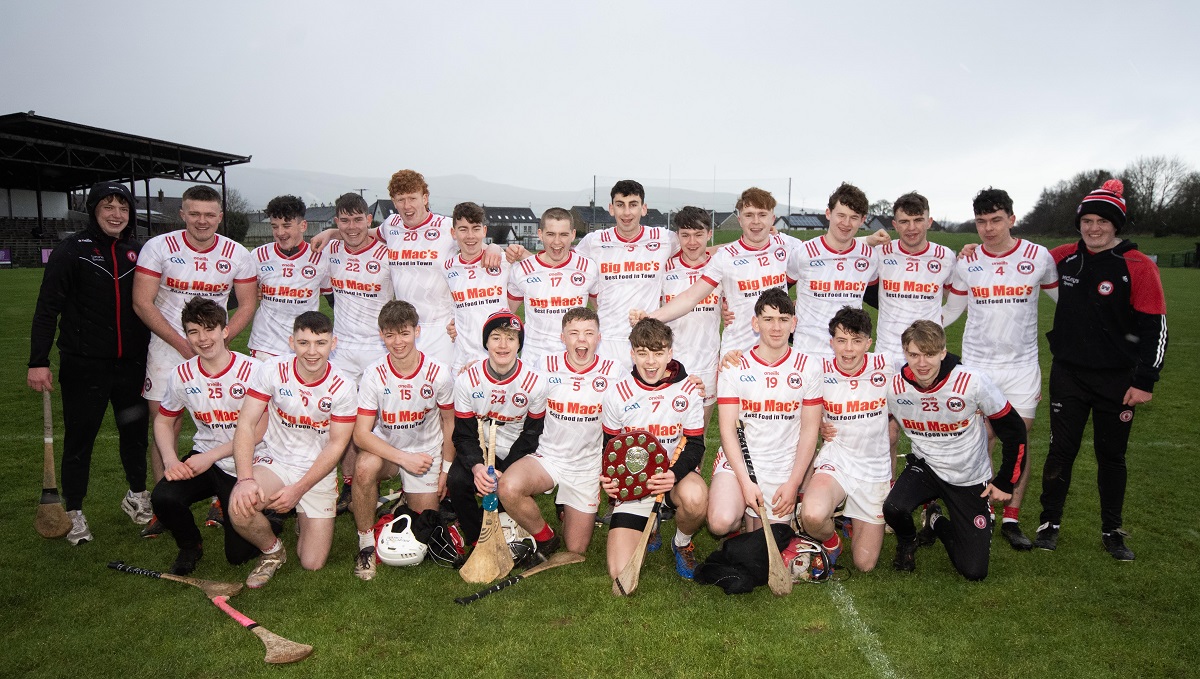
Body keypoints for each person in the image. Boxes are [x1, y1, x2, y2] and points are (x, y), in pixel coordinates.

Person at [1034, 180, 1167, 561]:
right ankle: (1049, 523)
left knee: (1112, 456)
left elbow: (1155, 328)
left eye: (1102, 221)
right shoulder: (1062, 257)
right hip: (1069, 374)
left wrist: (1145, 380)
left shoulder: (1137, 266)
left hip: (1118, 380)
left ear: (1116, 225)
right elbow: (1016, 259)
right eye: (1087, 220)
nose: (1093, 228)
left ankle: (1112, 530)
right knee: (1062, 450)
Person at [28, 181, 152, 545]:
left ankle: (136, 496)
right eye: (108, 207)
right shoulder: (72, 250)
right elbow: (46, 308)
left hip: (131, 364)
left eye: (123, 208)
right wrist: (38, 361)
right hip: (85, 366)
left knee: (134, 435)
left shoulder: (138, 251)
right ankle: (74, 511)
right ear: (94, 211)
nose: (116, 214)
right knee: (80, 440)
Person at [942, 187, 1058, 550]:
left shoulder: (1038, 257)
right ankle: (982, 513)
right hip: (978, 366)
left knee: (1017, 441)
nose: (988, 228)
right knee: (979, 442)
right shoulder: (968, 261)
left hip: (1022, 367)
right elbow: (950, 311)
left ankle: (1012, 517)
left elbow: (1068, 302)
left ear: (1012, 218)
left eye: (996, 220)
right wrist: (912, 328)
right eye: (981, 222)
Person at [133, 185, 258, 507]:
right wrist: (183, 344)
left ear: (220, 217)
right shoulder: (158, 246)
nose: (202, 221)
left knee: (230, 420)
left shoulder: (236, 253)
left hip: (212, 348)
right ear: (183, 214)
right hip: (166, 348)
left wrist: (218, 341)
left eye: (209, 215)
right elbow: (142, 303)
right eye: (195, 214)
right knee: (165, 423)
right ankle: (165, 498)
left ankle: (224, 494)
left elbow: (246, 305)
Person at [882, 321, 1027, 581]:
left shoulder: (972, 381)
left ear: (943, 352)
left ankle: (935, 520)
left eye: (929, 354)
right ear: (905, 353)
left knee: (974, 571)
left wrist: (1005, 480)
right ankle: (907, 541)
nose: (921, 363)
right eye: (914, 354)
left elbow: (1014, 429)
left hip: (968, 475)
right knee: (893, 507)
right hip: (927, 466)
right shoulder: (894, 387)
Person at [228, 311, 357, 588]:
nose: (312, 351)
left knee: (312, 563)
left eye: (321, 343)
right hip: (275, 461)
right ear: (291, 342)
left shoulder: (344, 387)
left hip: (317, 471)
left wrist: (298, 489)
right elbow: (246, 425)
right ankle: (272, 551)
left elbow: (337, 445)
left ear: (333, 344)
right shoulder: (271, 370)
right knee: (239, 507)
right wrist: (244, 479)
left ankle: (302, 512)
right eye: (303, 343)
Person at [150, 298, 266, 574]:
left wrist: (210, 457)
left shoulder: (253, 370)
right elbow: (163, 422)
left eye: (209, 329)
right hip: (205, 459)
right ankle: (190, 546)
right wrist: (169, 460)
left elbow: (260, 430)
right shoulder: (181, 374)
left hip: (248, 462)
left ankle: (270, 516)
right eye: (193, 331)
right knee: (164, 496)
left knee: (238, 556)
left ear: (225, 331)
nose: (202, 339)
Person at [498, 307, 616, 558]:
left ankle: (567, 507)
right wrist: (475, 372)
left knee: (575, 549)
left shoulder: (614, 371)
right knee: (508, 487)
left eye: (588, 333)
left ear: (598, 338)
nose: (581, 339)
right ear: (563, 338)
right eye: (573, 333)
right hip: (548, 457)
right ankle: (546, 537)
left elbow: (646, 387)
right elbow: (508, 378)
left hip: (586, 466)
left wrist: (682, 378)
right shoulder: (544, 365)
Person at [350, 301, 455, 580]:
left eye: (404, 333)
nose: (398, 342)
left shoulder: (438, 372)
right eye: (390, 335)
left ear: (417, 331)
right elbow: (361, 434)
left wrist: (445, 469)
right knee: (363, 467)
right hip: (390, 452)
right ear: (381, 335)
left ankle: (406, 499)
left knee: (426, 532)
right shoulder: (374, 374)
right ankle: (366, 545)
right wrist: (403, 459)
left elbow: (449, 423)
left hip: (427, 455)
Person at [709, 289, 821, 544]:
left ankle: (761, 519)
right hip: (741, 461)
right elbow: (727, 430)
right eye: (768, 319)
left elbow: (809, 432)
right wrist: (746, 483)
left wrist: (793, 484)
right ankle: (740, 513)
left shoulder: (808, 367)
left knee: (769, 543)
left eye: (783, 319)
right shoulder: (735, 366)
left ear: (794, 324)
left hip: (783, 465)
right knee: (720, 521)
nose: (776, 327)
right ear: (755, 323)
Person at [601, 318, 706, 580]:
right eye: (643, 353)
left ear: (669, 353)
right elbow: (609, 446)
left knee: (696, 498)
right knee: (620, 573)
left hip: (673, 479)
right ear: (632, 353)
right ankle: (653, 523)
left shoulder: (687, 390)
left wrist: (674, 474)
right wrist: (611, 481)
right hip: (635, 481)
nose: (650, 362)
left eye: (658, 353)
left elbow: (695, 445)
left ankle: (681, 542)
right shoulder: (617, 393)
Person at [642, 189, 795, 359]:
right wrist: (649, 318)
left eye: (762, 214)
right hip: (737, 354)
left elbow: (819, 268)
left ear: (772, 218)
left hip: (777, 352)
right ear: (740, 220)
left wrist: (797, 304)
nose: (756, 221)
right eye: (749, 215)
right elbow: (691, 297)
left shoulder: (789, 247)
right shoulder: (725, 256)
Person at [799, 307, 896, 571]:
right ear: (831, 342)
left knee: (864, 564)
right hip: (837, 461)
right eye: (841, 341)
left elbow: (928, 367)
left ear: (869, 342)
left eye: (856, 341)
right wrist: (818, 421)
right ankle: (831, 541)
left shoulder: (886, 365)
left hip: (873, 470)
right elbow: (779, 376)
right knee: (812, 514)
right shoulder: (817, 368)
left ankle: (853, 519)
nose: (848, 349)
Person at [866, 191, 956, 468]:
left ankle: (932, 503)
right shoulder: (881, 254)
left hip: (927, 357)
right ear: (894, 224)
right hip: (887, 355)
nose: (912, 227)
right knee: (886, 434)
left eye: (918, 220)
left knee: (932, 433)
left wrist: (937, 326)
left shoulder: (945, 257)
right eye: (904, 221)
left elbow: (958, 300)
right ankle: (887, 496)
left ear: (930, 221)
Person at [448, 311, 548, 549]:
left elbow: (532, 435)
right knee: (457, 480)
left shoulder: (535, 381)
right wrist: (478, 467)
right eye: (496, 337)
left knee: (505, 491)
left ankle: (508, 527)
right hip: (480, 444)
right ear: (486, 342)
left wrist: (506, 470)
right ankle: (475, 540)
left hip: (517, 448)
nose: (503, 345)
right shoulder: (467, 380)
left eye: (511, 338)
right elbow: (463, 434)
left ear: (519, 344)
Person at [325, 192, 394, 513]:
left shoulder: (388, 253)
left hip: (379, 350)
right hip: (342, 351)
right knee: (344, 422)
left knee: (379, 425)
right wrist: (327, 234)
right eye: (344, 220)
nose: (351, 227)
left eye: (357, 219)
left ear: (369, 220)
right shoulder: (330, 250)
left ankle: (375, 483)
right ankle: (349, 486)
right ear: (336, 222)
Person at [575, 180, 679, 371]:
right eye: (620, 205)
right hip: (606, 342)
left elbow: (699, 251)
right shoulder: (594, 241)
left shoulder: (664, 238)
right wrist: (518, 254)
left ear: (644, 208)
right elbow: (560, 262)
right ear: (611, 209)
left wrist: (748, 248)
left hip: (647, 342)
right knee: (606, 400)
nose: (627, 213)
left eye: (633, 205)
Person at [789, 183, 880, 357]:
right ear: (828, 213)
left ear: (863, 219)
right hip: (808, 352)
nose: (846, 223)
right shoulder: (804, 252)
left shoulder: (869, 257)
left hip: (848, 355)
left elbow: (880, 300)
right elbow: (778, 289)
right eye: (841, 215)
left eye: (854, 217)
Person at [507, 207, 599, 368]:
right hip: (534, 361)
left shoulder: (588, 268)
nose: (557, 242)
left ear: (573, 235)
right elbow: (506, 313)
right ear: (540, 234)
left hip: (574, 360)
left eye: (563, 234)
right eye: (551, 234)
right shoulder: (521, 270)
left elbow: (602, 310)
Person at [656, 206, 723, 424]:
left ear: (709, 234)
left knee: (698, 439)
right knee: (665, 430)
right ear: (677, 236)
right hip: (669, 362)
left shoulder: (720, 268)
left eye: (698, 235)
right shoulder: (665, 269)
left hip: (707, 363)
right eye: (685, 235)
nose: (692, 242)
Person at [248, 195, 331, 359]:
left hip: (304, 347)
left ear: (303, 226)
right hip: (264, 345)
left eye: (286, 226)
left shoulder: (321, 258)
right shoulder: (258, 255)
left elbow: (333, 298)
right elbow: (241, 296)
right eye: (275, 226)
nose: (280, 233)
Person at [443, 202, 511, 374]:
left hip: (498, 358)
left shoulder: (503, 261)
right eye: (463, 229)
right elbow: (454, 307)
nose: (470, 236)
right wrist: (453, 323)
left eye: (475, 228)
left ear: (484, 231)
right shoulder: (448, 267)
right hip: (463, 359)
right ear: (453, 233)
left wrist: (495, 247)